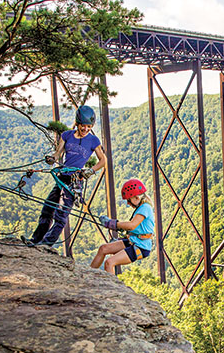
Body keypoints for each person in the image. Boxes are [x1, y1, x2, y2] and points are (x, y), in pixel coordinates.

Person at [25, 105, 107, 247]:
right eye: (83, 126)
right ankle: (36, 239)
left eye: (89, 126)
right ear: (78, 123)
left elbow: (103, 160)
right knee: (47, 208)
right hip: (62, 177)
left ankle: (47, 243)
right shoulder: (67, 135)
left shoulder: (93, 141)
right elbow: (58, 154)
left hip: (75, 180)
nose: (85, 129)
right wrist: (52, 159)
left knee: (61, 214)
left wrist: (90, 171)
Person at [91, 178, 154, 274]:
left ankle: (112, 288)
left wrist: (112, 224)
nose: (128, 204)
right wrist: (114, 225)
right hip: (133, 240)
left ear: (136, 198)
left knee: (109, 262)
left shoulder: (145, 207)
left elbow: (132, 225)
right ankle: (89, 274)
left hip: (141, 246)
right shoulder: (142, 207)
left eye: (129, 200)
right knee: (103, 249)